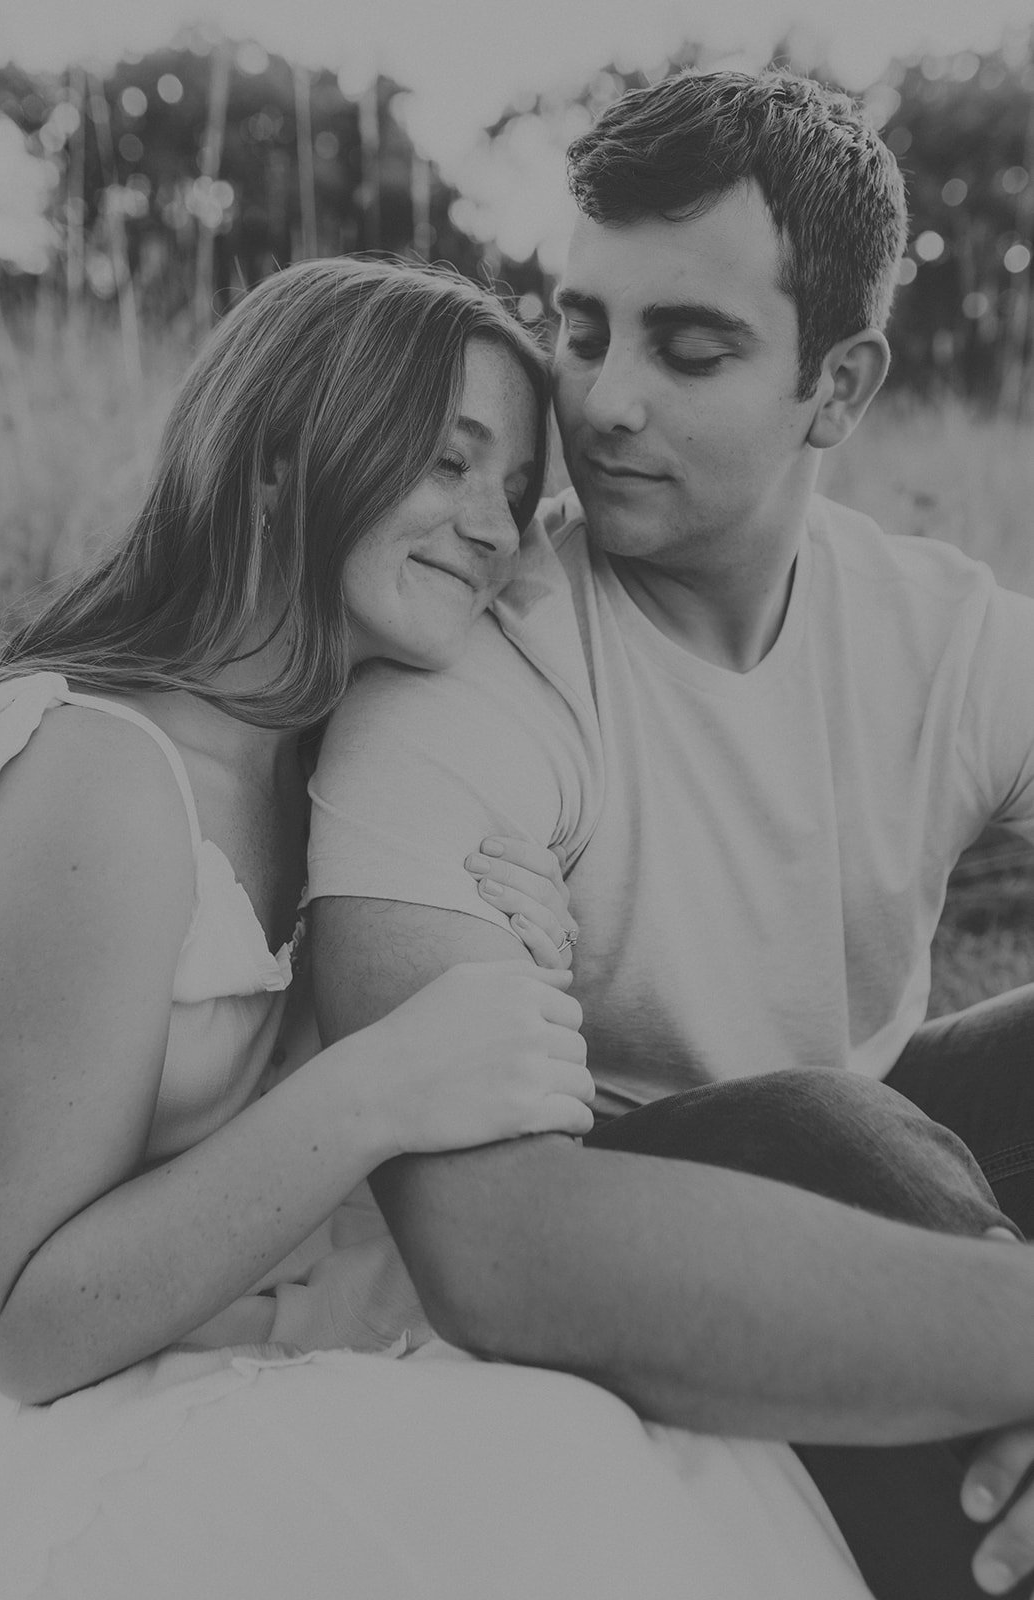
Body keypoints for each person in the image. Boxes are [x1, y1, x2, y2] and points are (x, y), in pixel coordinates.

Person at [307, 70, 1034, 1598]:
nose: (603, 401)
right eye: (581, 331)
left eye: (690, 349)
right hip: (623, 1216)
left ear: (838, 387)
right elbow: (487, 1243)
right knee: (820, 1135)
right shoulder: (470, 671)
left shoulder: (944, 637)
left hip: (886, 1168)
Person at [0, 257, 717, 1600]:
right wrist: (384, 1081)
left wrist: (501, 964)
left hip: (286, 1329)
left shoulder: (329, 765)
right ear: (276, 462)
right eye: (447, 461)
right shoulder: (101, 776)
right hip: (89, 1418)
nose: (494, 531)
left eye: (514, 490)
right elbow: (20, 1327)